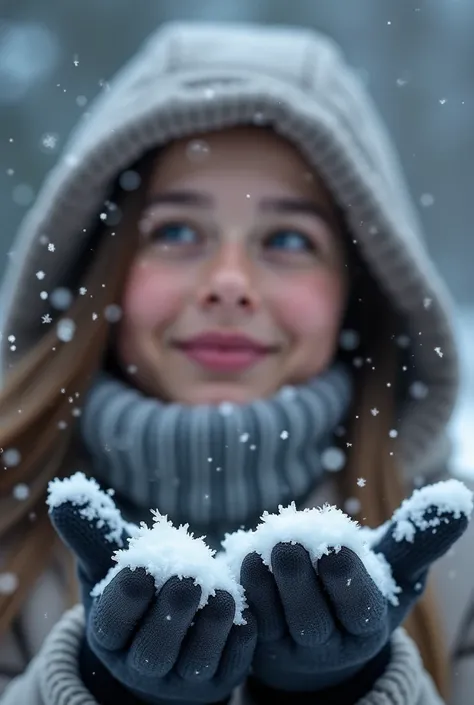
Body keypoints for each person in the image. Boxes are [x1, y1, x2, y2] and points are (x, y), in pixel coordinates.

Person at [0, 20, 473, 705]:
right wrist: (93, 690)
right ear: (100, 270)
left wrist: (349, 693)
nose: (229, 280)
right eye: (178, 231)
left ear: (359, 292)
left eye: (286, 238)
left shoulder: (460, 568)